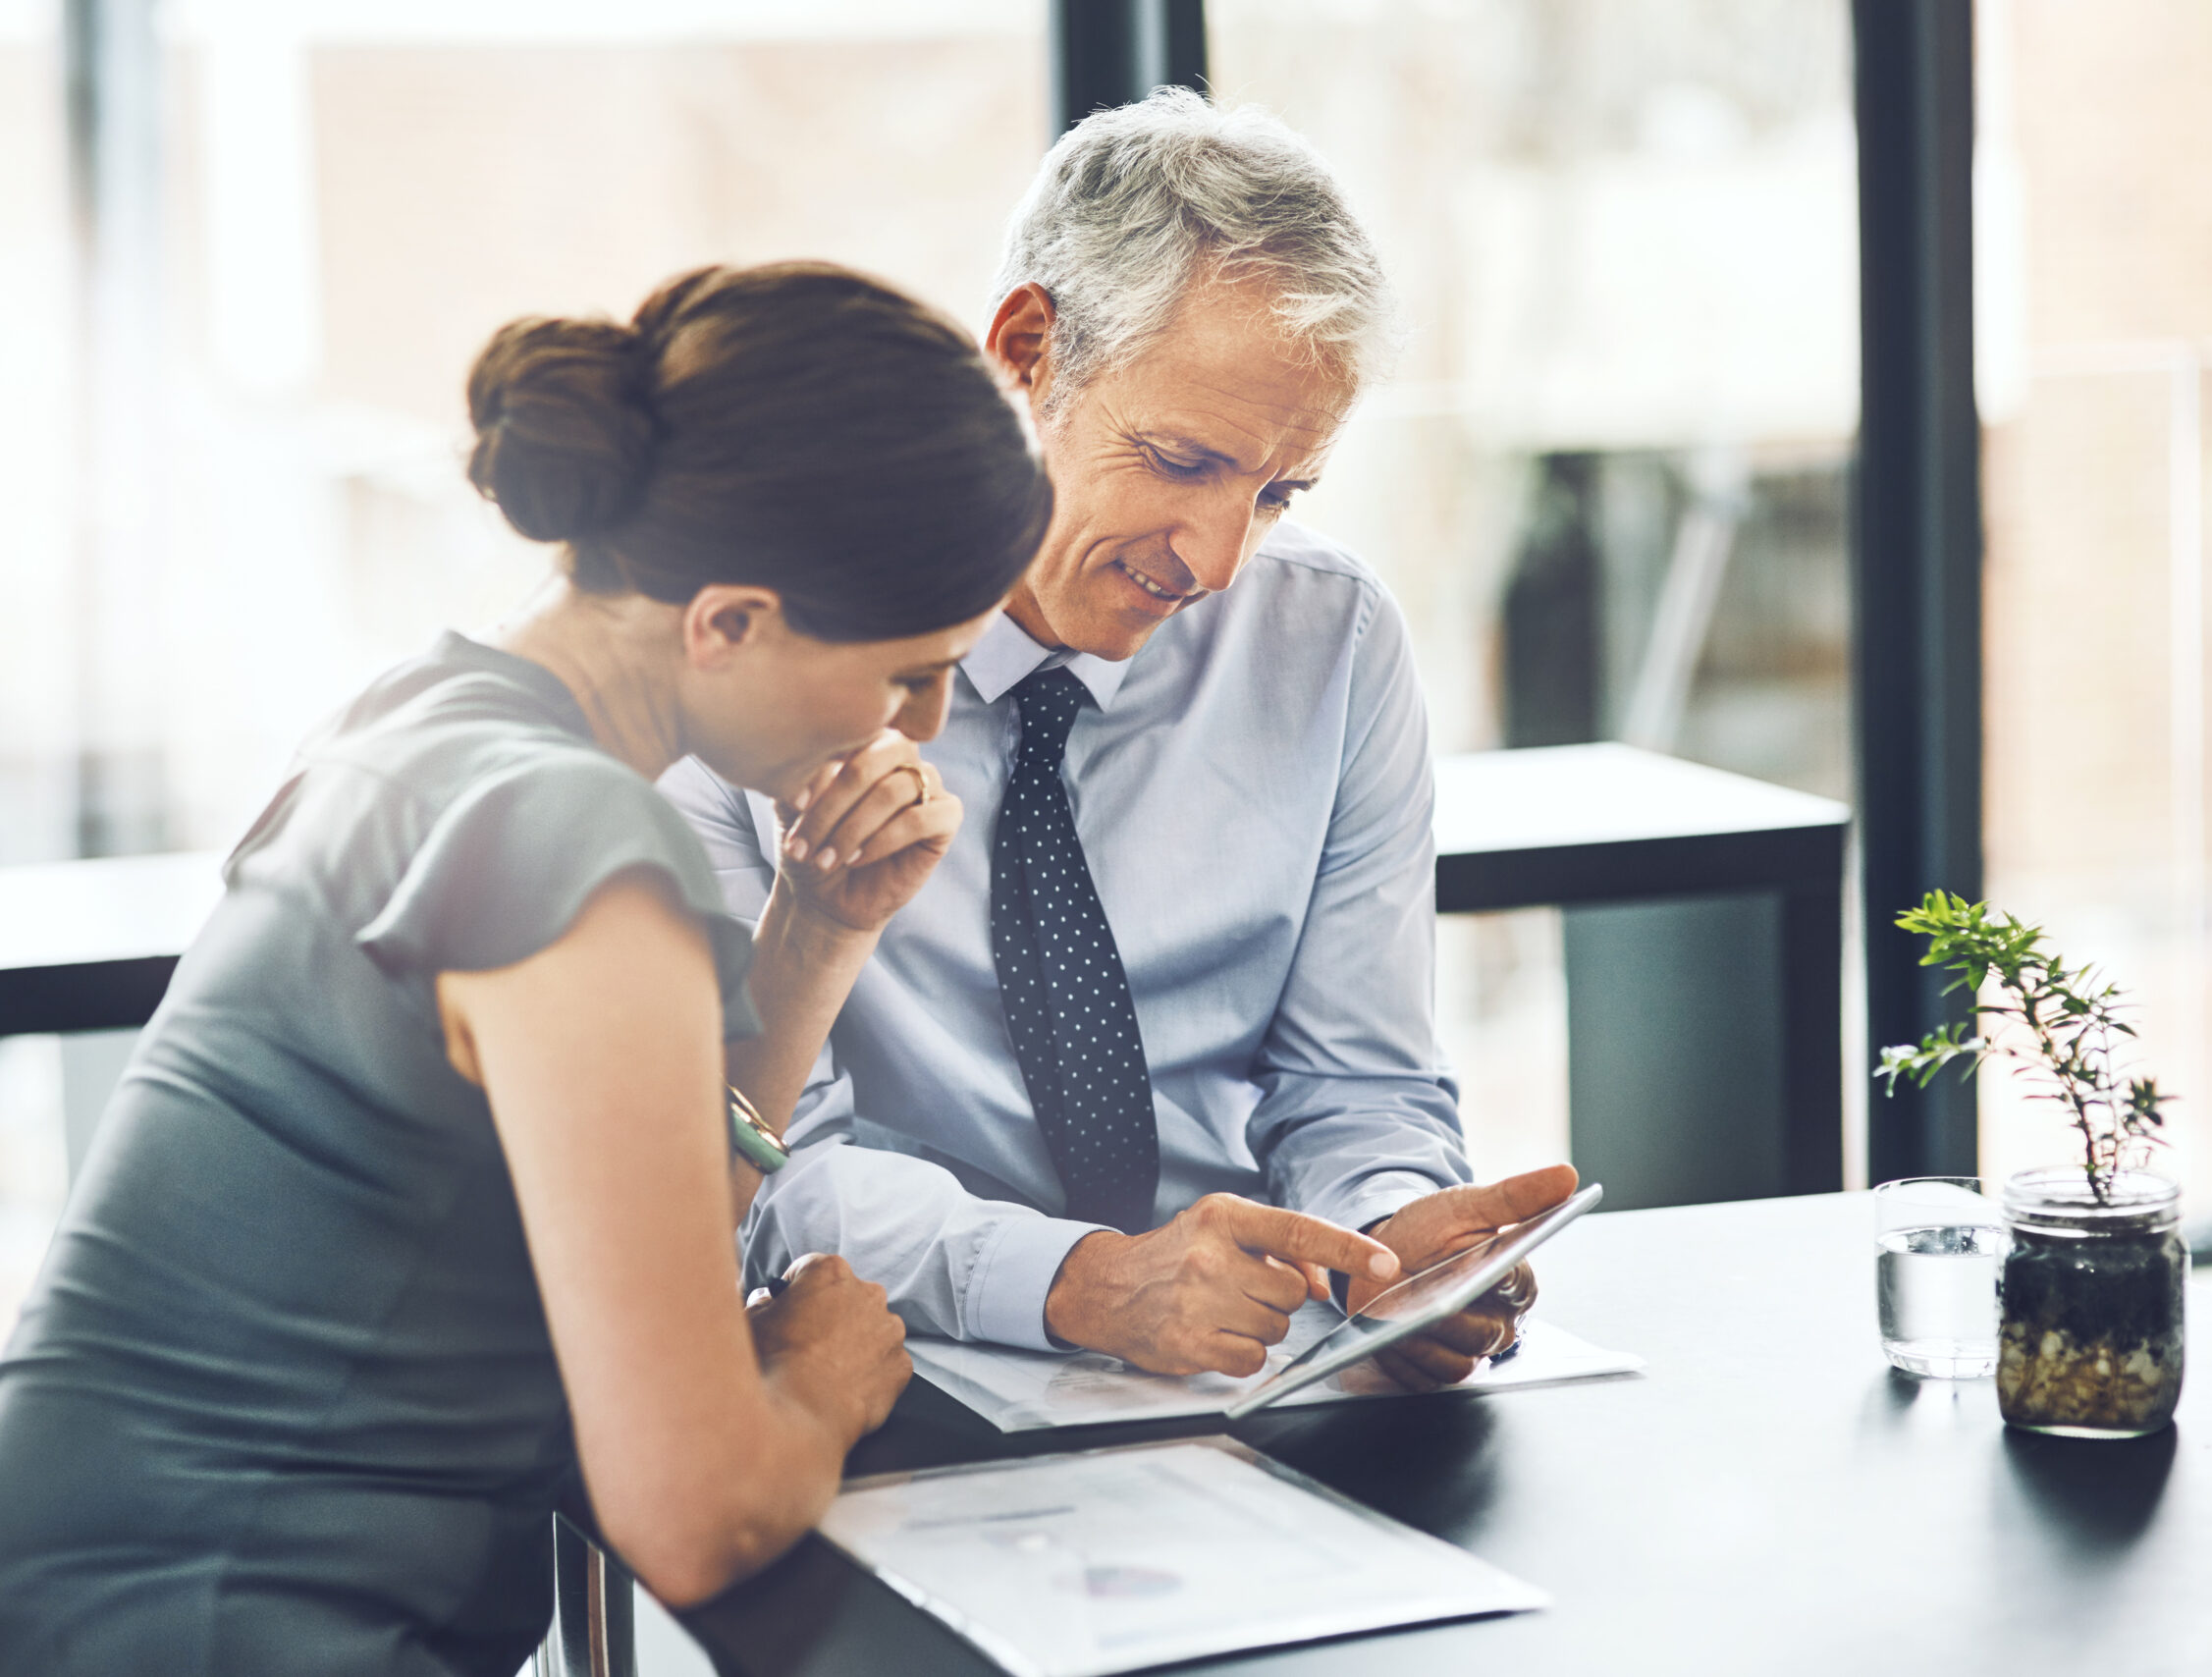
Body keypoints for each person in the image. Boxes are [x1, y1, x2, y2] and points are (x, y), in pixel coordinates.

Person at [0, 261, 1052, 1676]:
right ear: (729, 621)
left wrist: (810, 935)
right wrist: (819, 1383)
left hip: (45, 1612)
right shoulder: (575, 836)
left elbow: (662, 1203)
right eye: (907, 670)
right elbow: (702, 1513)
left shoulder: (428, 718)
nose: (918, 726)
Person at [667, 90, 1577, 1392]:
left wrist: (1389, 1241)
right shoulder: (763, 667)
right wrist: (1091, 1282)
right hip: (903, 1373)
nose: (1216, 561)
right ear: (1026, 350)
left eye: (1277, 493)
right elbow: (751, 1164)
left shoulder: (1331, 640)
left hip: (1261, 1368)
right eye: (1182, 460)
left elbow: (1358, 1077)